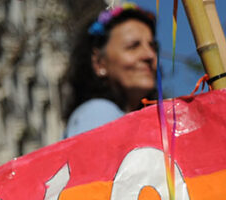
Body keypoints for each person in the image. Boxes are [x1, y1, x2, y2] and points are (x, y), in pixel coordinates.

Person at [64, 2, 158, 138]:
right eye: (133, 46)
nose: (150, 55)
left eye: (153, 46)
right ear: (99, 62)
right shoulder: (98, 112)